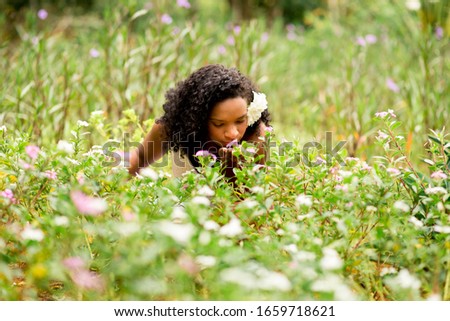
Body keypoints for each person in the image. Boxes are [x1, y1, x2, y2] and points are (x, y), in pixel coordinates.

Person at [128, 64, 271, 179]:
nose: (233, 133)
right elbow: (140, 158)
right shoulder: (176, 127)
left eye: (240, 120)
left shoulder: (255, 139)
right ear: (197, 119)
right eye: (219, 124)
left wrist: (232, 177)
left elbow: (255, 207)